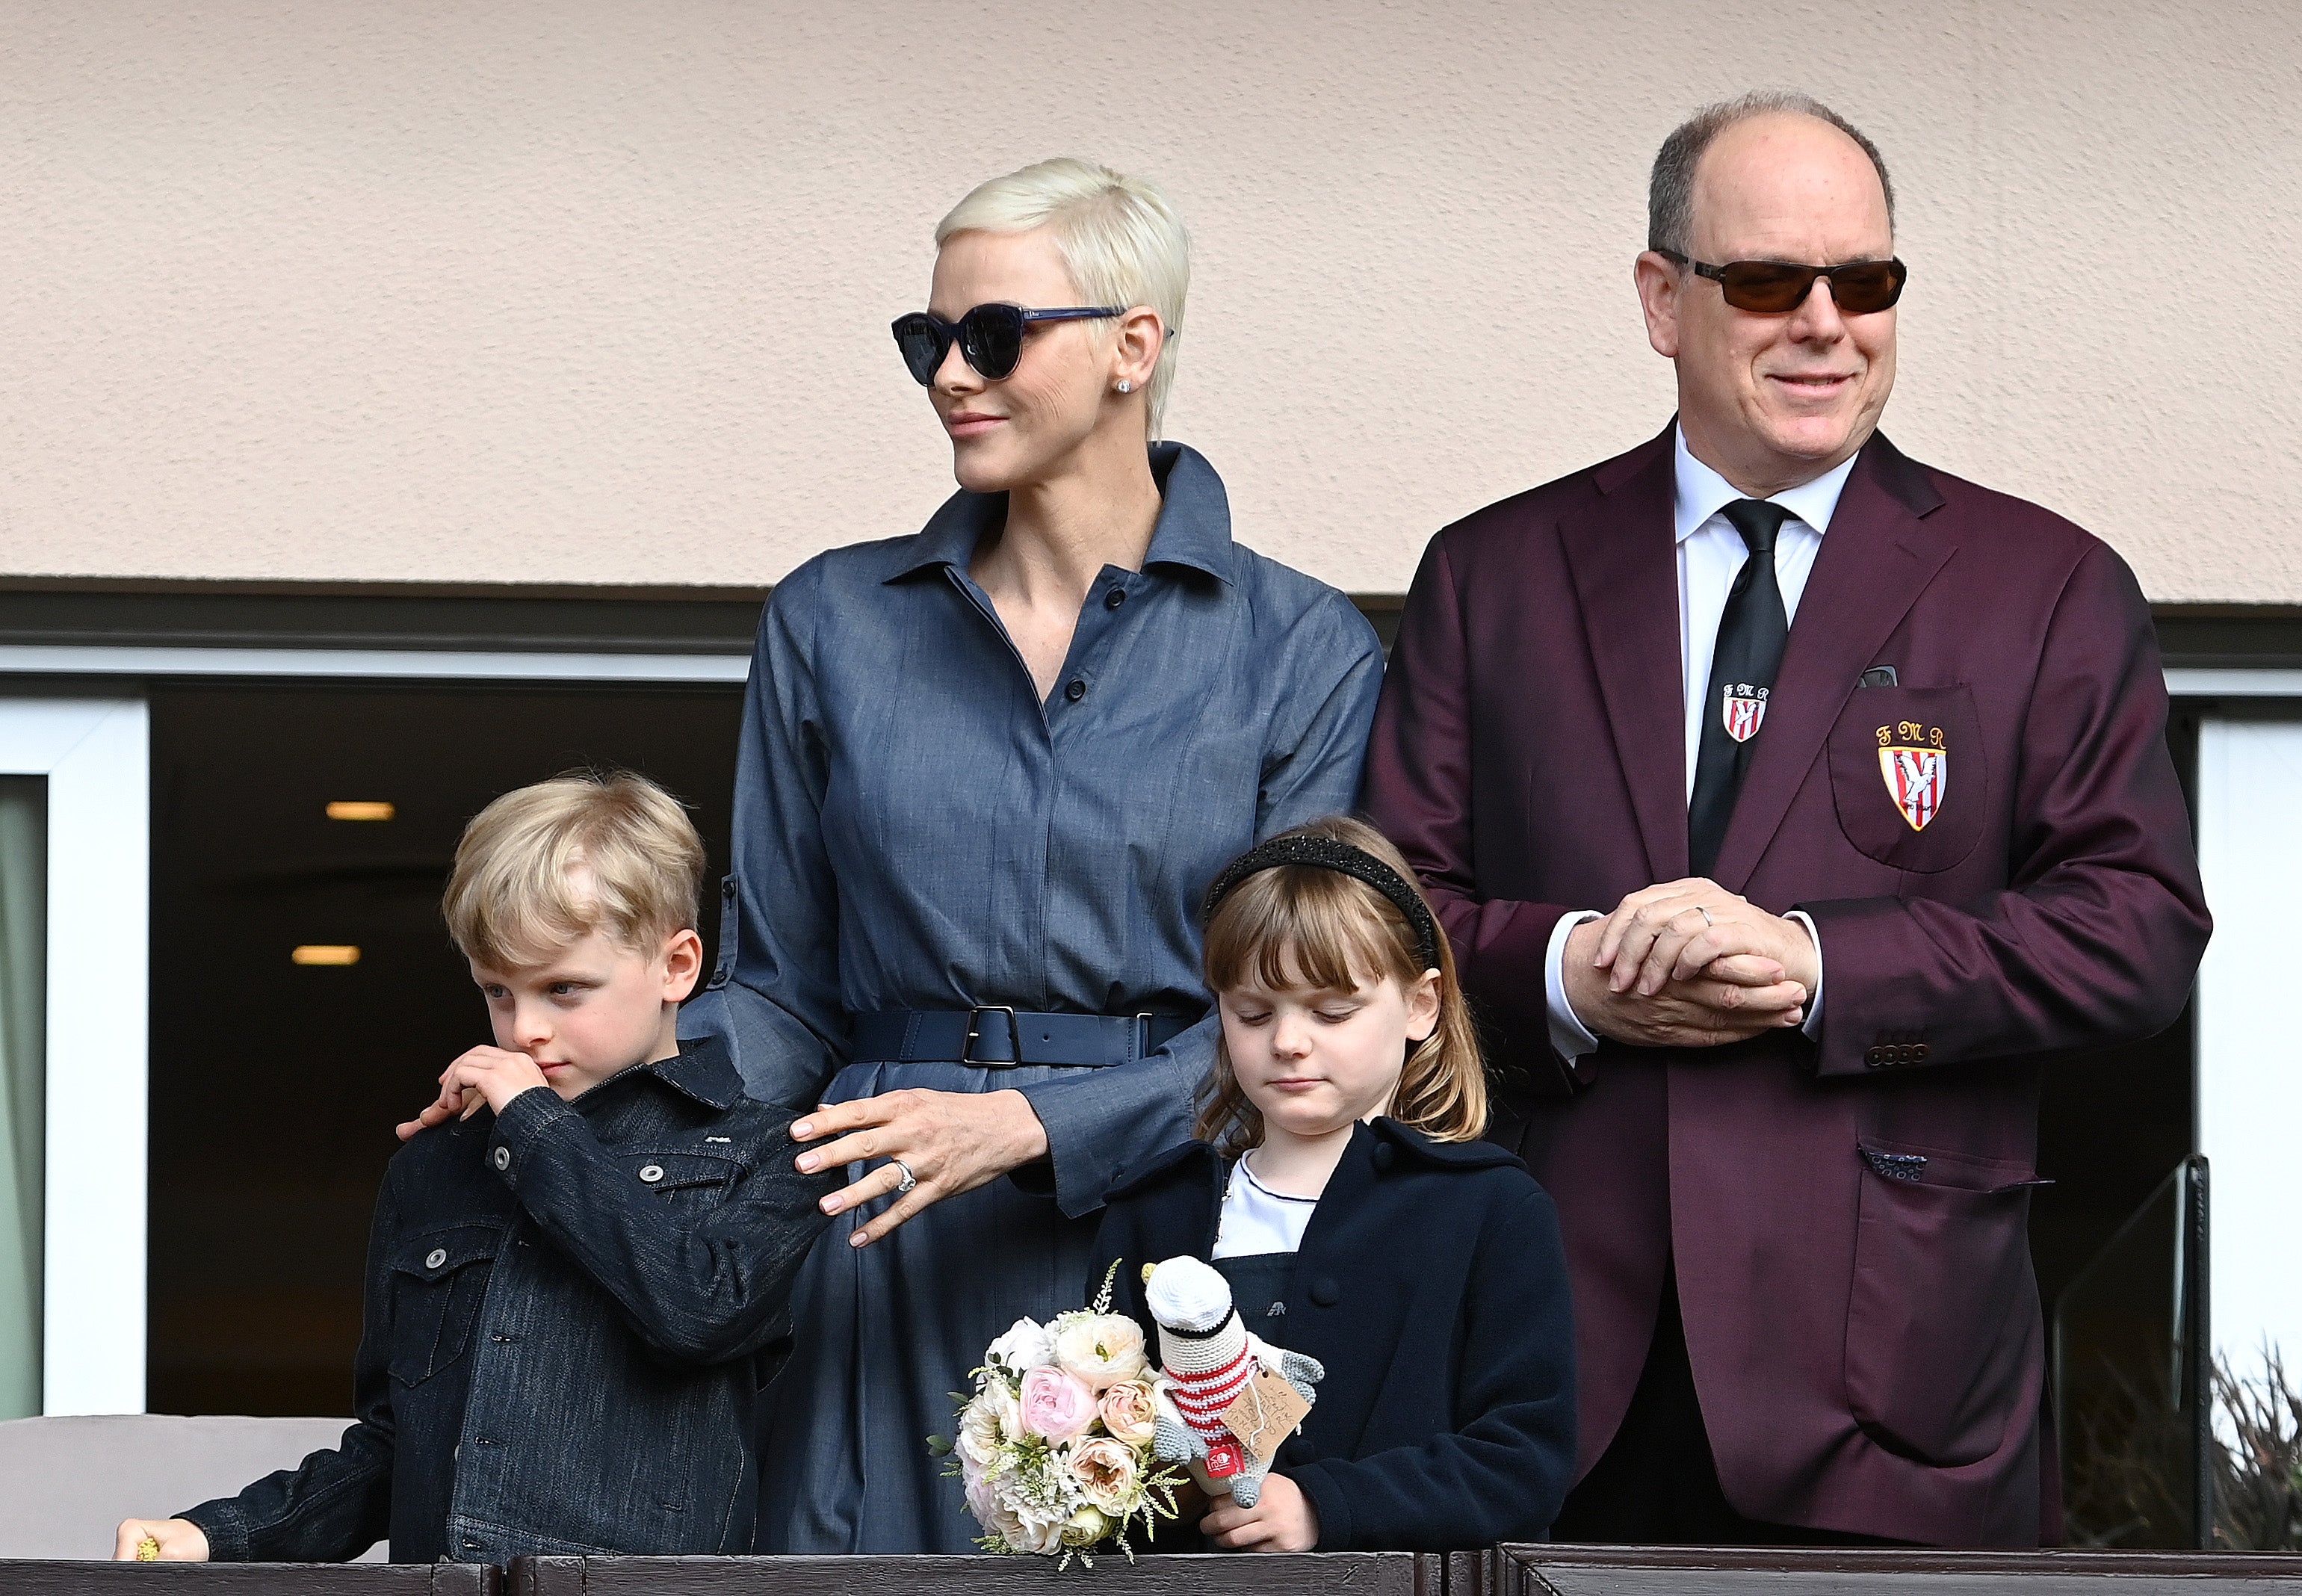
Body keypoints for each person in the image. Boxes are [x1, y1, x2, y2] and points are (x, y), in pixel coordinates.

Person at [1361, 92, 2211, 1547]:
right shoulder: (1491, 574)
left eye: (1865, 282)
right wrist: (1574, 974)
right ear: (1661, 300)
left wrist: (1818, 967)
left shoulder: (2046, 585)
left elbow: (2135, 932)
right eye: (1767, 281)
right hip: (1549, 1377)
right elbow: (1388, 919)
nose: (1826, 321)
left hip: (1898, 1395)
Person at [681, 158, 1384, 1552]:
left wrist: (1032, 1126)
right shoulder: (829, 620)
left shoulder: (1301, 650)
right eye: (924, 340)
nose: (950, 372)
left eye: (992, 335)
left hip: (1179, 1234)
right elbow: (776, 991)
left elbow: (1303, 1017)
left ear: (1136, 346)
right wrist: (601, 1085)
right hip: (875, 1226)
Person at [117, 773, 836, 1564]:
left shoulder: (776, 1149)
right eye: (498, 991)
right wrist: (218, 1534)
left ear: (677, 966)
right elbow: (395, 1450)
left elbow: (698, 1313)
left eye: (564, 989)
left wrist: (534, 1126)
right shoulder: (435, 1170)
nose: (525, 1028)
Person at [1090, 818, 1575, 1555]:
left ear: (1421, 1005)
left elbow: (1522, 1464)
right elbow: (1111, 1451)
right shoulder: (1157, 1210)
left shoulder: (1492, 1211)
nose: (1287, 1041)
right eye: (1253, 1013)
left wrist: (1327, 1506)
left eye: (1331, 1011)